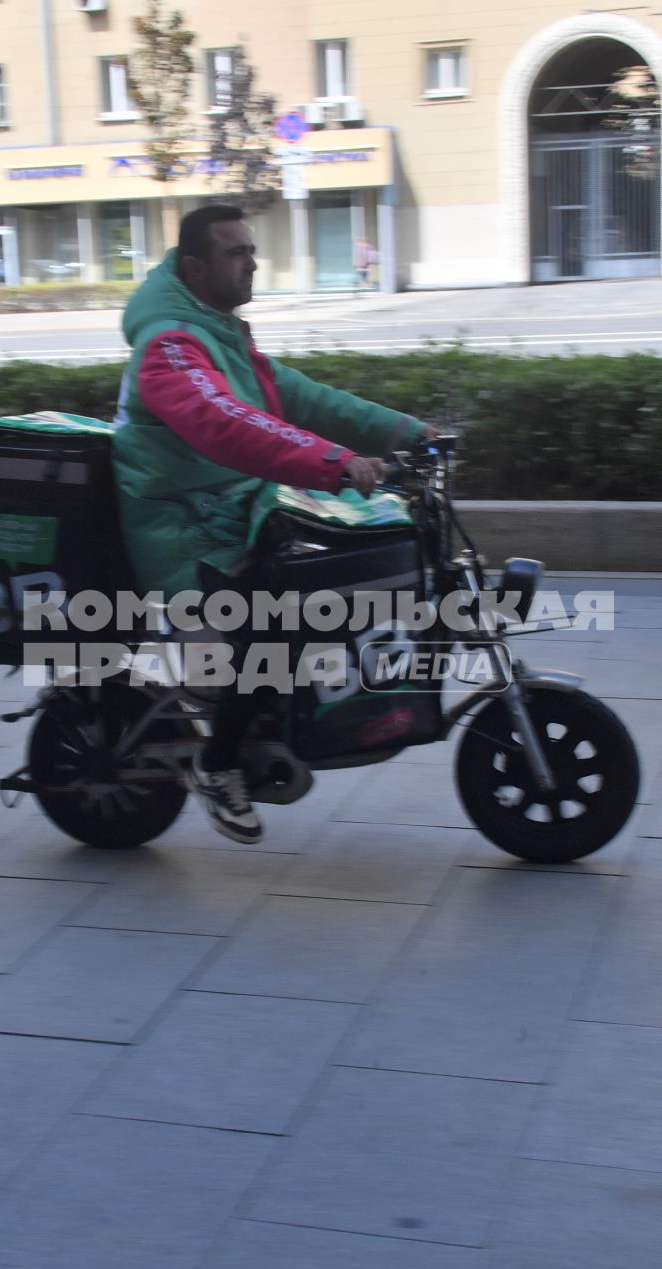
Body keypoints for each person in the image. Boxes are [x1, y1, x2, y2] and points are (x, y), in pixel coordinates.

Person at [112, 205, 428, 844]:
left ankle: (280, 719)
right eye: (235, 253)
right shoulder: (169, 346)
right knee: (284, 616)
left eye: (251, 250)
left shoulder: (219, 333)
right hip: (186, 534)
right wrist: (338, 463)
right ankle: (218, 762)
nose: (252, 262)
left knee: (328, 577)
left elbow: (304, 398)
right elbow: (226, 425)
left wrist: (410, 433)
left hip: (233, 514)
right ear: (196, 266)